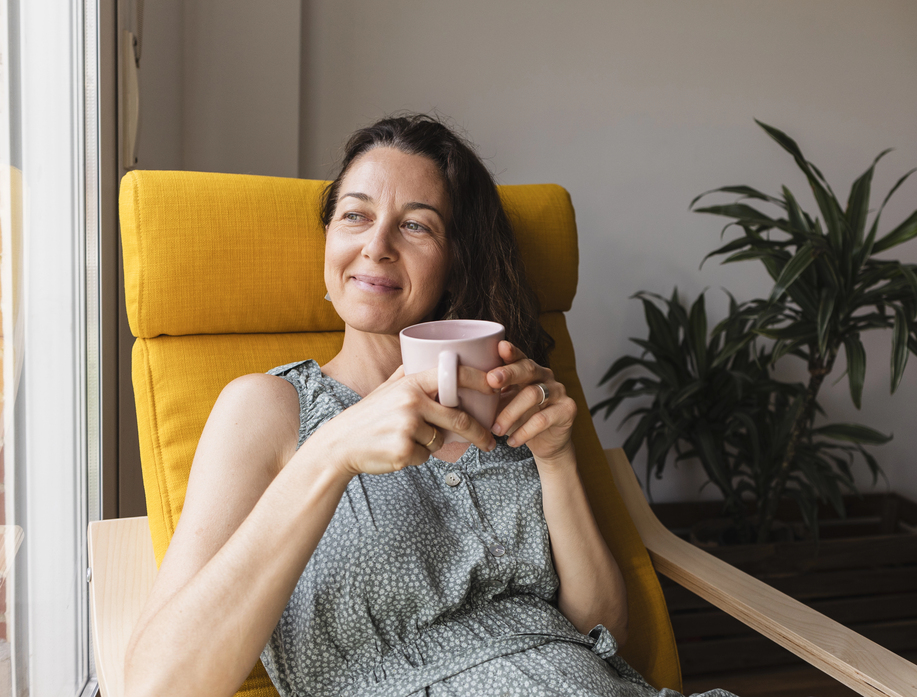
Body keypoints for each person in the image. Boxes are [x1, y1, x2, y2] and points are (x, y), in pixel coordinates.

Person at [124, 113, 737, 697]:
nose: (377, 246)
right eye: (355, 216)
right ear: (329, 239)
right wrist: (332, 452)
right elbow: (158, 683)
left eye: (416, 225)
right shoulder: (268, 408)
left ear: (455, 259)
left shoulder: (507, 395)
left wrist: (557, 461)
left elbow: (604, 636)